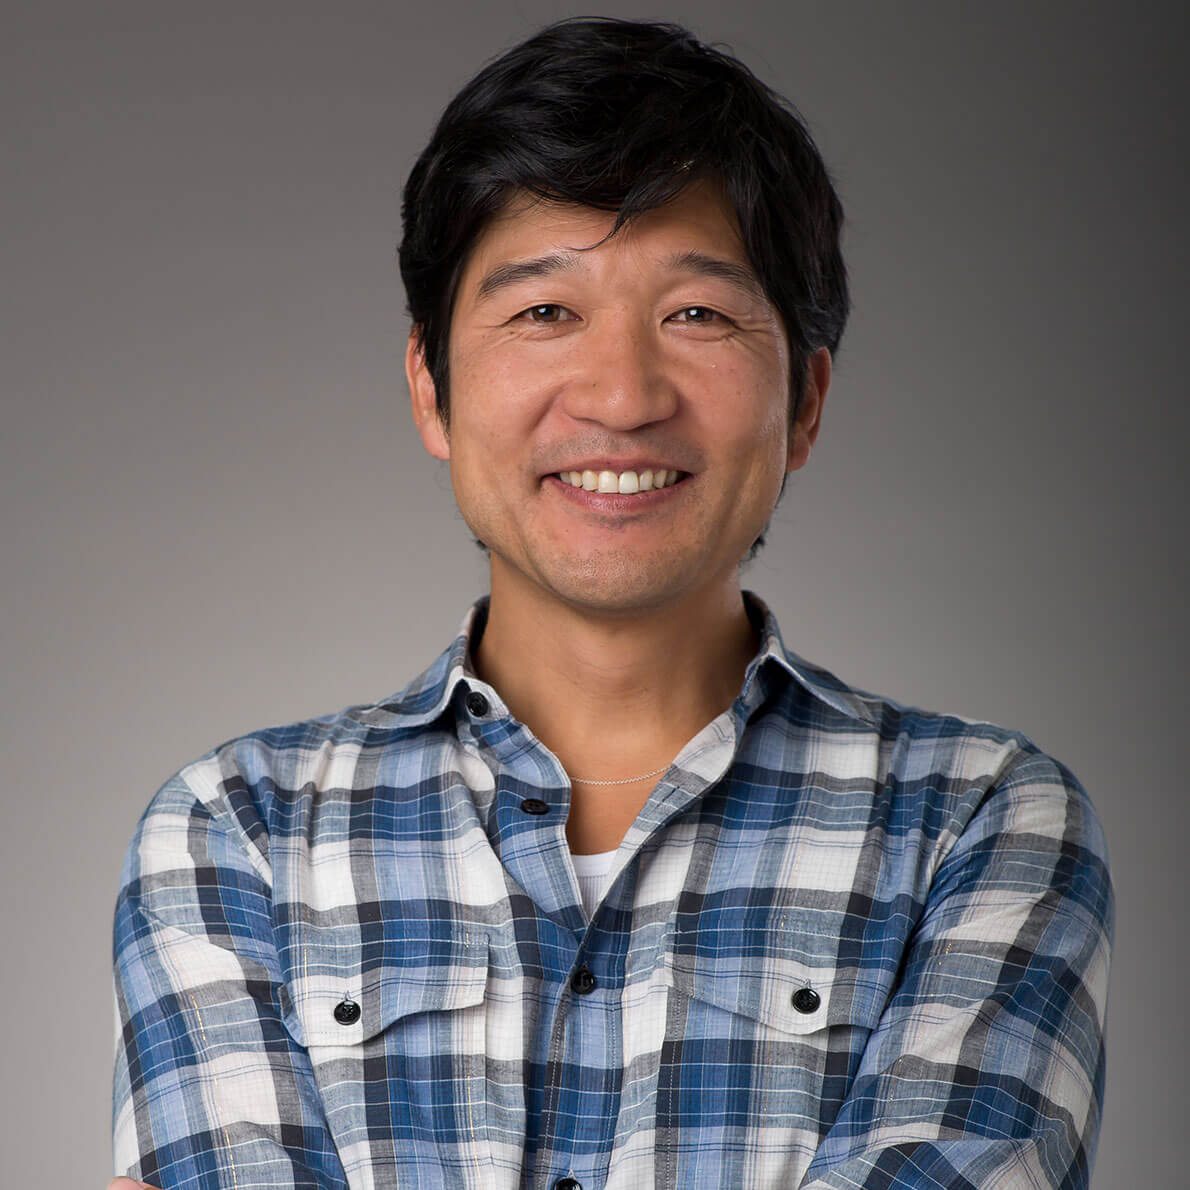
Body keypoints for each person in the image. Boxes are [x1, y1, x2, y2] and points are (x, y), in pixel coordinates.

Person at [108, 17, 1113, 1190]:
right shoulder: (236, 834)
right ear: (430, 389)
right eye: (544, 311)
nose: (622, 394)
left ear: (804, 401)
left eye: (695, 314)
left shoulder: (977, 825)